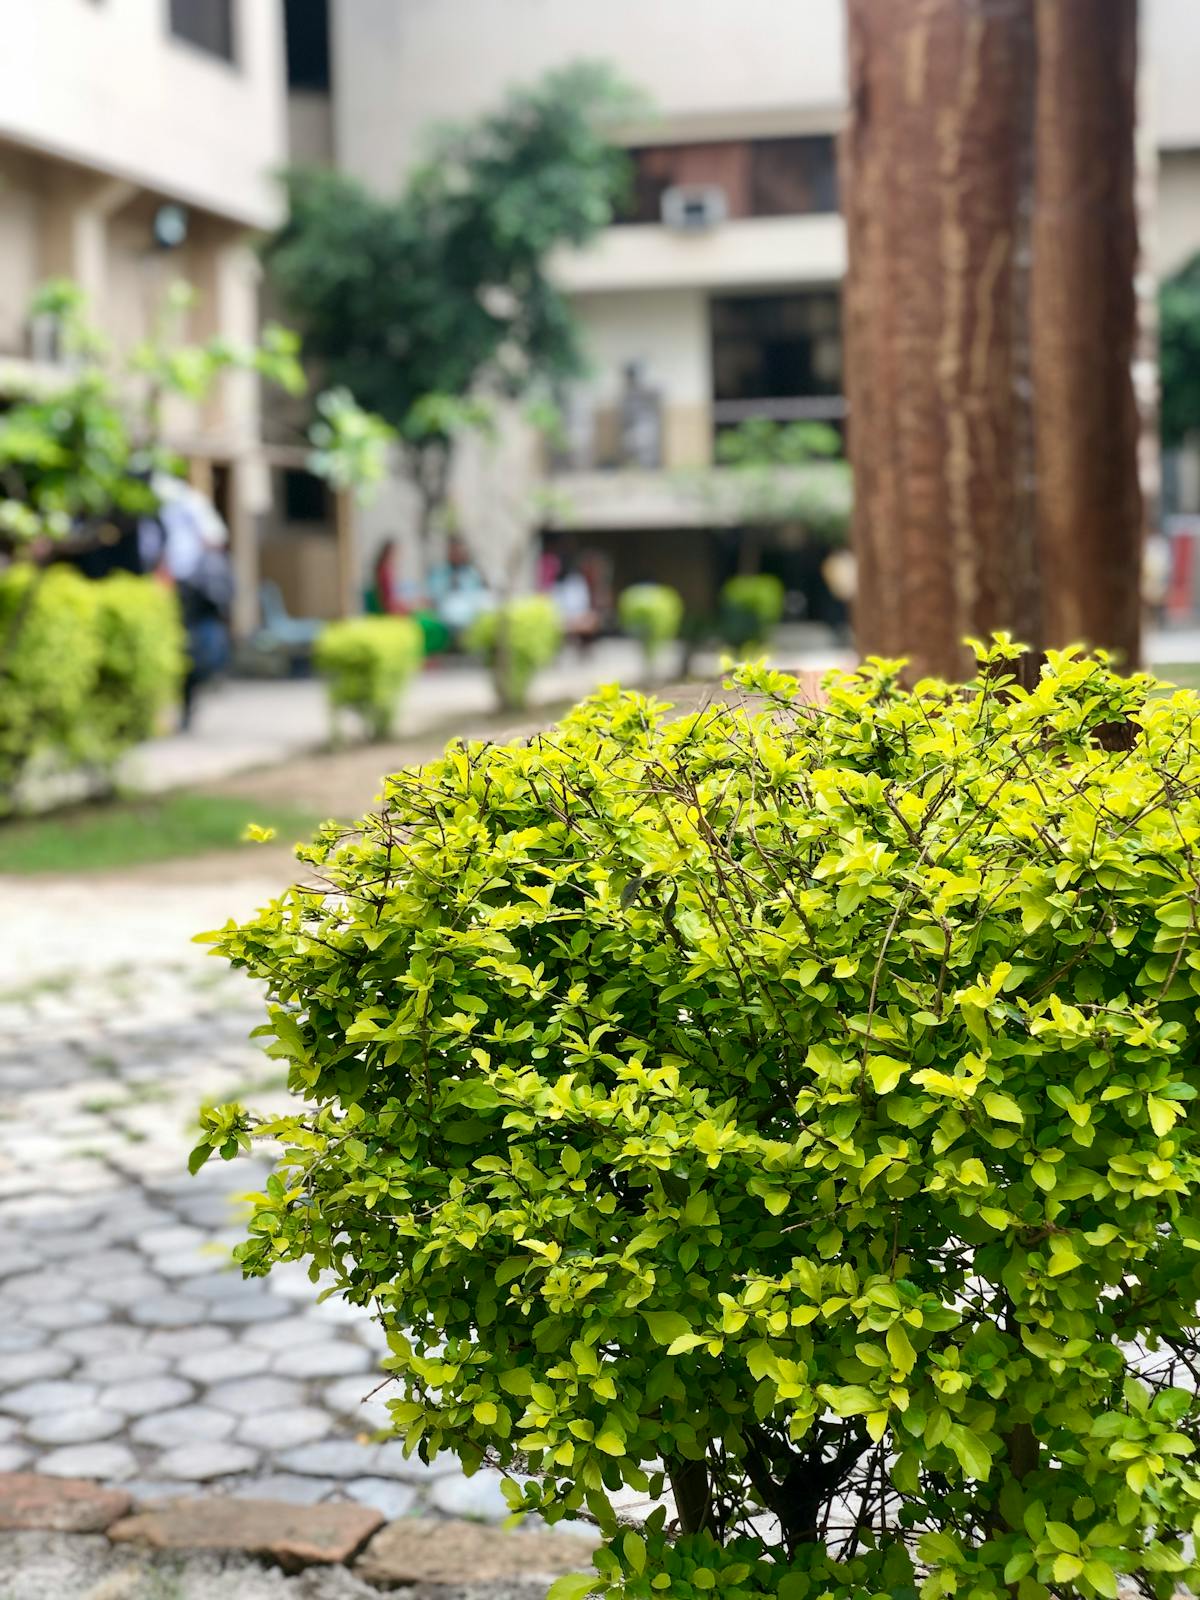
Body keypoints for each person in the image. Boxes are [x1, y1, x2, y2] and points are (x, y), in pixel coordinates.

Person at [148, 473, 233, 729]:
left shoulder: (185, 502)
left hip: (188, 588)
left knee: (188, 650)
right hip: (167, 585)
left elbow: (214, 537)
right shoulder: (177, 502)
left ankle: (183, 706)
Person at [426, 534, 490, 640]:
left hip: (469, 614)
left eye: (460, 551)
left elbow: (479, 594)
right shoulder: (439, 572)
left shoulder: (471, 573)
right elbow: (434, 595)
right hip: (447, 614)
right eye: (454, 551)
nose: (457, 555)